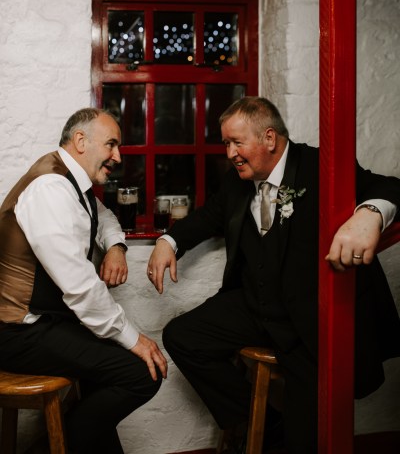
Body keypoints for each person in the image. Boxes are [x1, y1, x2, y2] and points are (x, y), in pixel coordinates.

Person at [147, 96, 400, 454]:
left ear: (269, 138)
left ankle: (286, 432)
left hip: (307, 322)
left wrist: (370, 214)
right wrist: (168, 241)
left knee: (303, 443)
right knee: (183, 336)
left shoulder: (317, 165)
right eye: (226, 144)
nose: (230, 153)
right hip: (255, 305)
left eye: (237, 143)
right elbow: (209, 216)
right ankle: (263, 420)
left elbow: (389, 186)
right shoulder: (237, 181)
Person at [0, 108, 168, 454]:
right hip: (16, 331)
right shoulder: (50, 188)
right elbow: (78, 285)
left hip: (42, 324)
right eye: (111, 145)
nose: (117, 156)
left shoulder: (69, 181)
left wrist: (116, 247)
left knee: (108, 374)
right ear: (80, 141)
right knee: (140, 373)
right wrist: (132, 337)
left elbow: (100, 215)